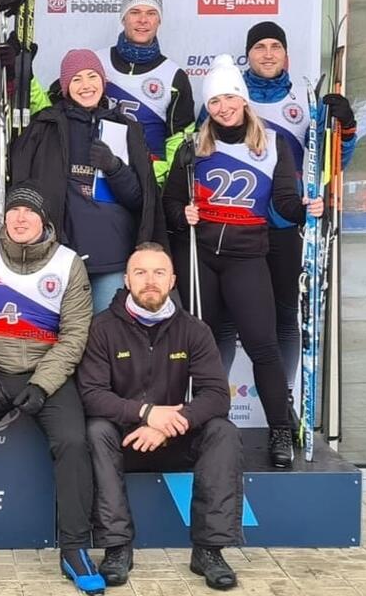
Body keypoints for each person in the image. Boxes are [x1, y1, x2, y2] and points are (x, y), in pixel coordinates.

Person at [0, 183, 104, 595]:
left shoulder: (67, 263)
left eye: (29, 212)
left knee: (73, 442)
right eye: (14, 211)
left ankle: (74, 548)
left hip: (46, 374)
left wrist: (43, 384)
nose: (20, 218)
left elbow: (75, 334)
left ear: (44, 221)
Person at [162, 54, 323, 468]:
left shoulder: (271, 143)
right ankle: (203, 429)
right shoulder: (192, 147)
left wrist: (307, 209)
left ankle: (280, 429)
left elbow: (283, 203)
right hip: (201, 257)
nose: (223, 108)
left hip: (247, 257)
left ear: (243, 100)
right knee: (203, 347)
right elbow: (171, 202)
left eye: (230, 98)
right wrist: (182, 214)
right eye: (215, 101)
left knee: (262, 345)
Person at [78, 242, 242, 591]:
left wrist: (169, 425)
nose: (149, 280)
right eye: (140, 272)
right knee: (96, 430)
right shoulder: (101, 328)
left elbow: (216, 395)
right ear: (126, 280)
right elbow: (91, 395)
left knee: (222, 431)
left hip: (174, 437)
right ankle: (117, 548)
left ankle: (209, 551)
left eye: (158, 272)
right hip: (124, 439)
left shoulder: (194, 329)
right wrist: (146, 413)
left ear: (172, 280)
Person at [212, 22, 358, 411]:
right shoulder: (228, 98)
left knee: (285, 315)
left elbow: (329, 164)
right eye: (259, 46)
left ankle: (285, 400)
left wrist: (345, 128)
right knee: (225, 317)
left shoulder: (304, 102)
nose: (268, 53)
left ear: (286, 55)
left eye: (275, 46)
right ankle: (213, 403)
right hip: (236, 222)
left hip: (283, 223)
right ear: (248, 55)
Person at [12, 49, 165, 314]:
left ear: (103, 81)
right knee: (64, 333)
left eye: (92, 76)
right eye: (76, 79)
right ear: (65, 87)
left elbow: (139, 200)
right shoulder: (46, 126)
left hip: (112, 258)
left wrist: (114, 167)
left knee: (106, 334)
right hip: (59, 256)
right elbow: (24, 187)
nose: (86, 85)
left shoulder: (125, 128)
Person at [97, 0, 195, 187]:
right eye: (135, 12)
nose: (143, 20)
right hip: (97, 175)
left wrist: (157, 181)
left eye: (151, 13)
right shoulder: (95, 62)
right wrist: (28, 75)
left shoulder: (174, 76)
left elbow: (178, 141)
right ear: (123, 17)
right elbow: (54, 108)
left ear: (159, 20)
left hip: (146, 182)